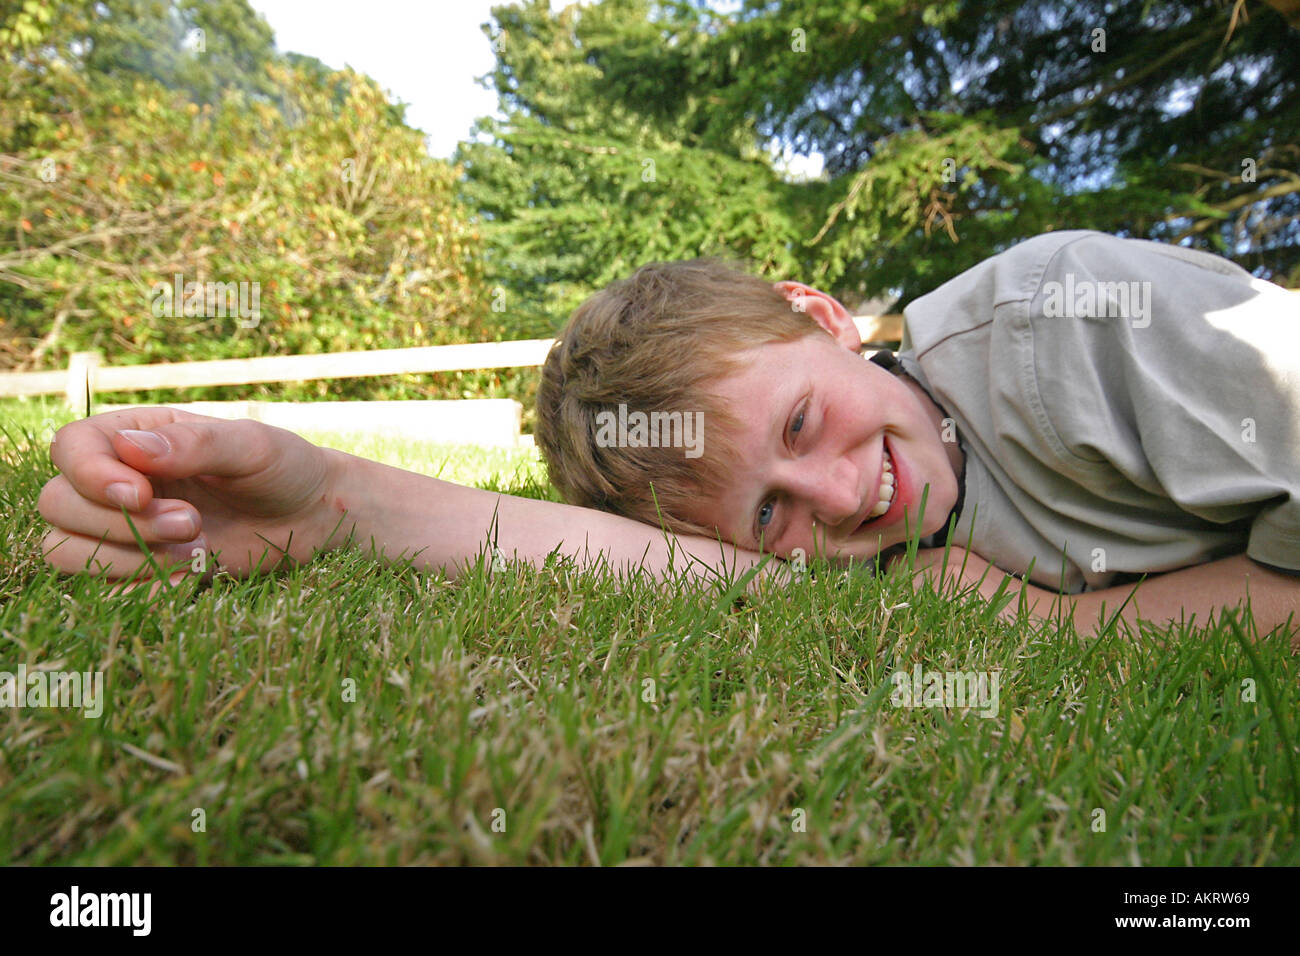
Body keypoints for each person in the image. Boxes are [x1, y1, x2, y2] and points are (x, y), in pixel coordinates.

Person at [36, 230, 1300, 639]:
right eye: (768, 514)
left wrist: (1071, 628)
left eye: (801, 417)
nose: (842, 495)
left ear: (821, 317)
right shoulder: (848, 560)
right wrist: (332, 505)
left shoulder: (1064, 322)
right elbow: (648, 560)